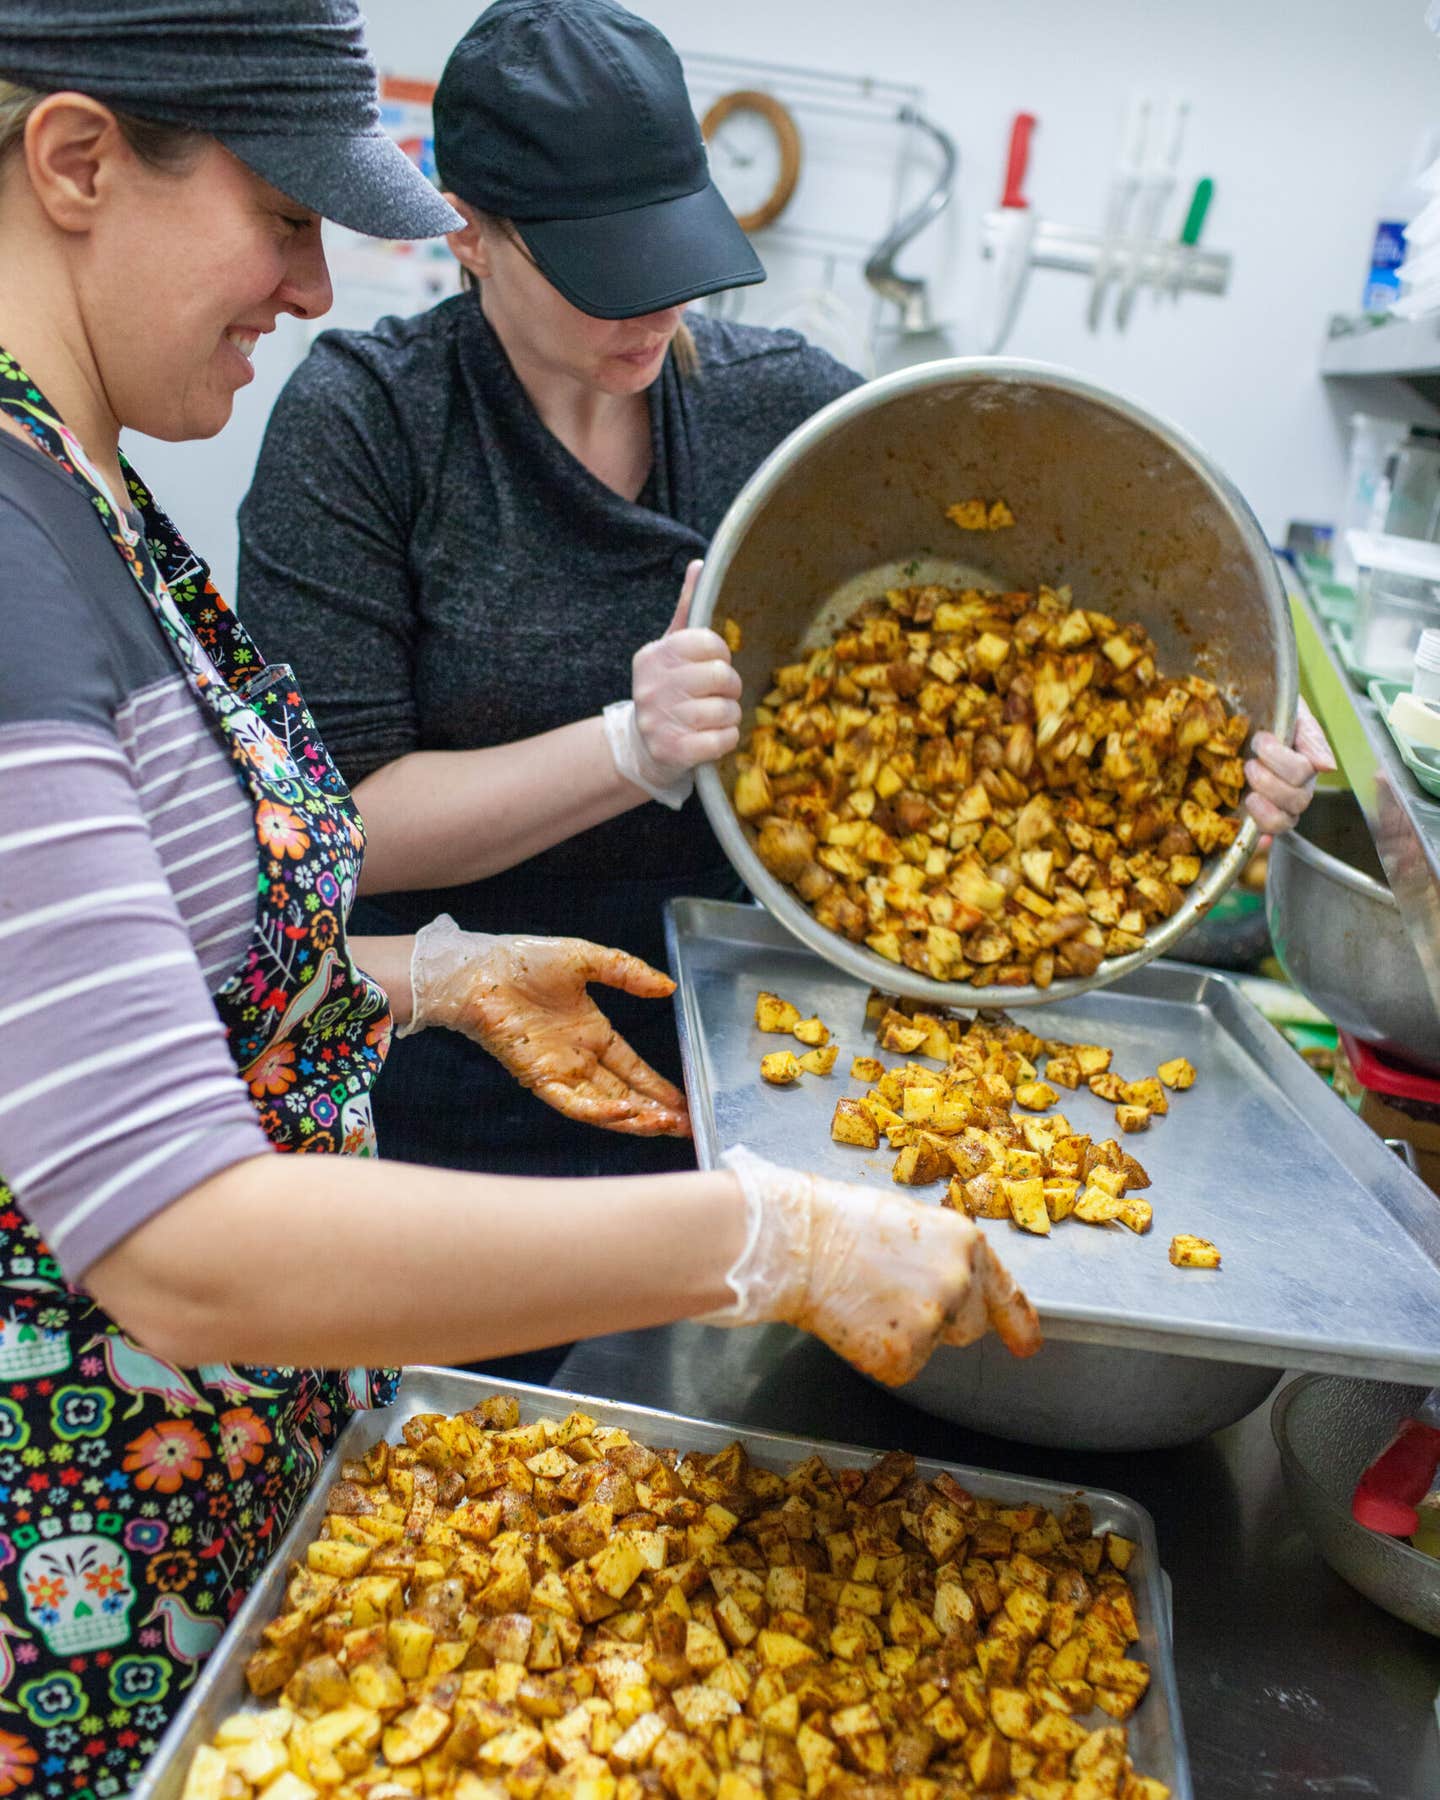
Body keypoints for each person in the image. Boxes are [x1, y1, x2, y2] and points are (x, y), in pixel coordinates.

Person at [0, 1, 1038, 1783]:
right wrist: (762, 1242)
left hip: (245, 1475)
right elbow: (176, 1243)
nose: (314, 285)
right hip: (95, 1554)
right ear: (80, 162)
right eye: (285, 215)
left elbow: (116, 985)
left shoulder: (93, 499)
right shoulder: (26, 551)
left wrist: (420, 976)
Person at [239, 0, 1335, 1211]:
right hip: (450, 1062)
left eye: (675, 258)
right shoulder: (366, 426)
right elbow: (337, 831)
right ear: (470, 232)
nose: (657, 311)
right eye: (607, 274)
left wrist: (1222, 738)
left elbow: (1058, 582)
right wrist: (630, 749)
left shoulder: (783, 409)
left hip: (747, 1055)